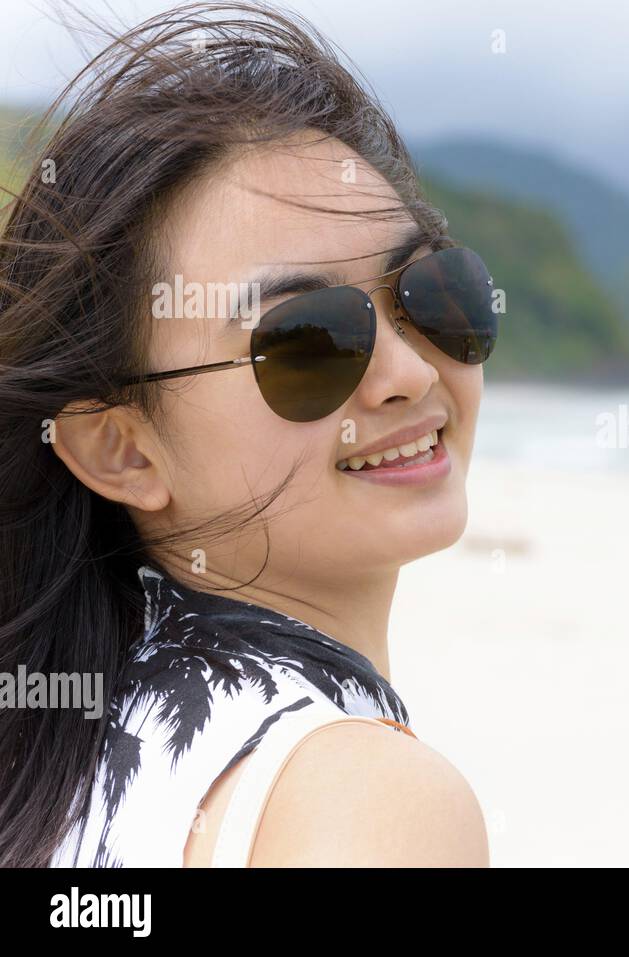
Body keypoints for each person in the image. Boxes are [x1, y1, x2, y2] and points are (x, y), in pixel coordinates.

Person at [0, 1, 492, 867]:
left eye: (429, 292)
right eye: (307, 340)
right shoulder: (371, 800)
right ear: (123, 447)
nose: (411, 372)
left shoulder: (59, 769)